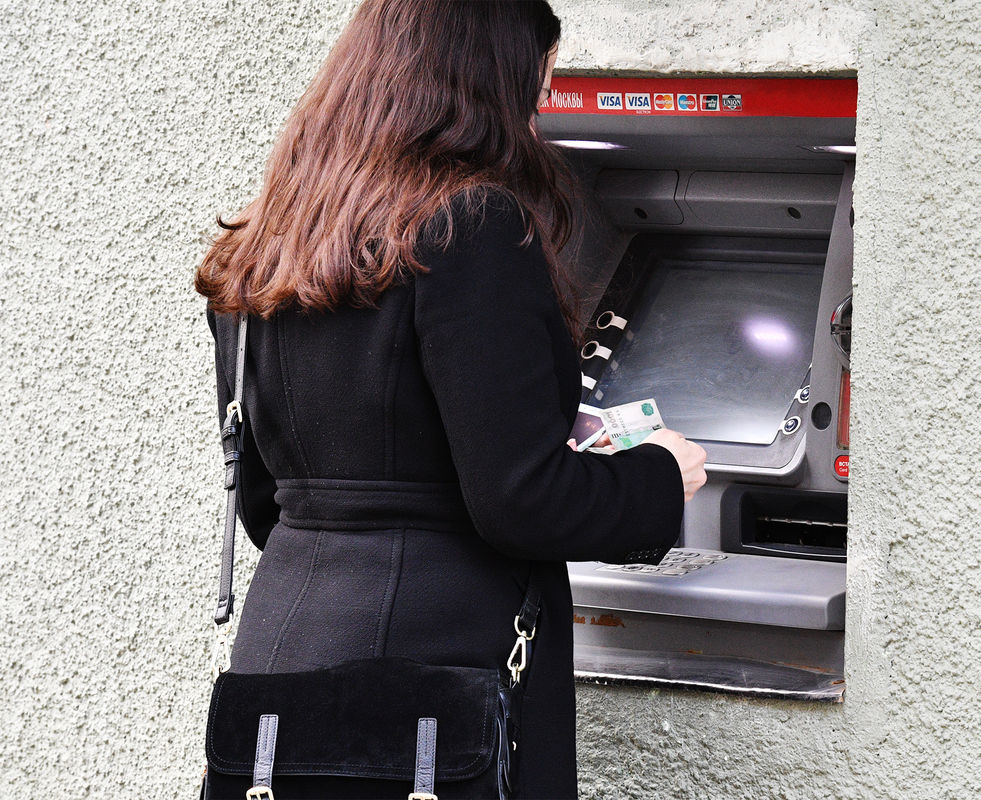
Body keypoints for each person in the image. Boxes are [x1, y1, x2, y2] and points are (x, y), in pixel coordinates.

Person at [194, 1, 707, 797]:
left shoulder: (266, 247)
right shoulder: (471, 227)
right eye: (535, 89)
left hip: (275, 680)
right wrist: (658, 476)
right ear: (487, 83)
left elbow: (267, 504)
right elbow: (521, 500)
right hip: (432, 699)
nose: (534, 118)